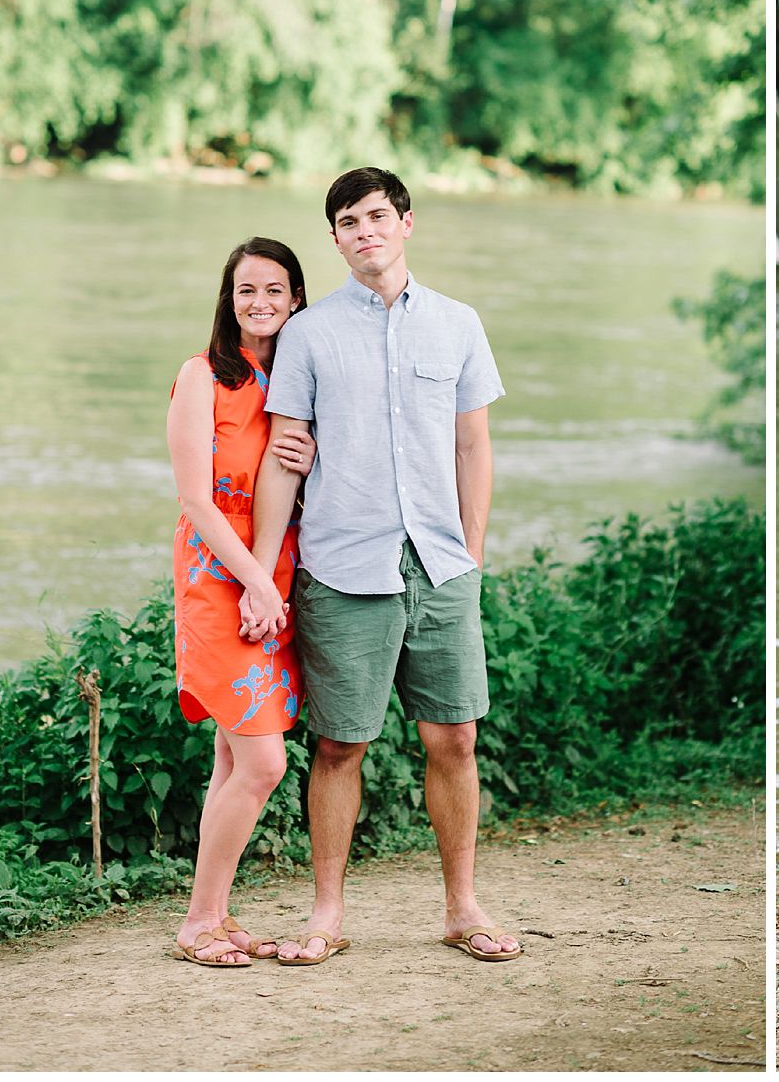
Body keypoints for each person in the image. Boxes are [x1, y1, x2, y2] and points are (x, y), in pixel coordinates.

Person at [242, 166, 520, 966]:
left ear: (405, 222)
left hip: (440, 566)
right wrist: (261, 573)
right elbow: (283, 457)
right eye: (348, 223)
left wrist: (470, 555)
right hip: (341, 566)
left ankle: (462, 907)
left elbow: (473, 444)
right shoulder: (308, 334)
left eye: (375, 216)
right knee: (339, 746)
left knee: (455, 736)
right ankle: (326, 914)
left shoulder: (459, 324)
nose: (364, 232)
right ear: (335, 240)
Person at [165, 237, 318, 967]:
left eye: (274, 290)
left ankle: (216, 914)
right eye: (246, 289)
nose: (260, 302)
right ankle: (197, 921)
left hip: (276, 571)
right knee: (263, 763)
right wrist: (255, 581)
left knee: (233, 759)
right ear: (229, 300)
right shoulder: (202, 375)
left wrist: (314, 459)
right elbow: (196, 498)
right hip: (218, 575)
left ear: (296, 299)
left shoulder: (296, 381)